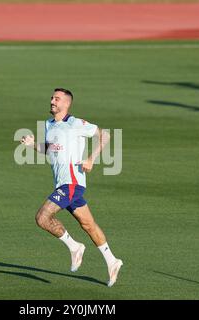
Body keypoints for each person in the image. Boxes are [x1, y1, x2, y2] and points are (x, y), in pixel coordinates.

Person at [20, 88, 123, 287]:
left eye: (56, 99)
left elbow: (105, 136)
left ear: (66, 104)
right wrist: (33, 144)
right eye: (51, 97)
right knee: (88, 225)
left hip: (72, 183)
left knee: (42, 217)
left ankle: (75, 247)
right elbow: (50, 150)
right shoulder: (49, 125)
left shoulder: (76, 124)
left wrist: (91, 159)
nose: (52, 101)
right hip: (62, 184)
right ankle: (112, 261)